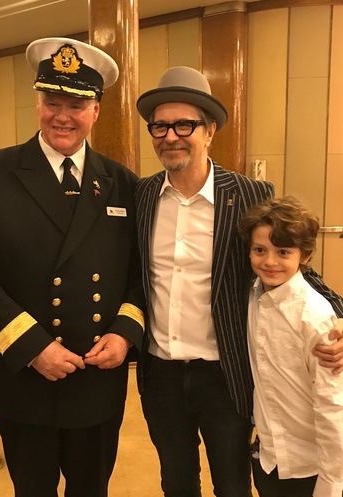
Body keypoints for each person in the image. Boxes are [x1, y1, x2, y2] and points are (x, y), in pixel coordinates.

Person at [134, 66, 343, 497]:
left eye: (185, 125)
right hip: (160, 372)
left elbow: (291, 264)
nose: (171, 136)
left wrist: (341, 315)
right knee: (175, 481)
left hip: (225, 372)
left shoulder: (249, 193)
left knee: (232, 483)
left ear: (209, 130)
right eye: (160, 126)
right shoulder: (141, 195)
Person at [0, 37, 144, 497]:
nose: (63, 116)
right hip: (23, 376)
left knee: (91, 489)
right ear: (37, 104)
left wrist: (124, 332)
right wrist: (33, 346)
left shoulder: (123, 182)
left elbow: (140, 273)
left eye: (76, 105)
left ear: (96, 110)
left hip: (95, 376)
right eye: (52, 102)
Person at [238, 196, 343, 497]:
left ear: (305, 255)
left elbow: (333, 404)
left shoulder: (314, 317)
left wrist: (332, 483)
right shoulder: (253, 295)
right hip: (269, 457)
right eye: (260, 250)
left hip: (310, 465)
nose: (270, 262)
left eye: (283, 252)